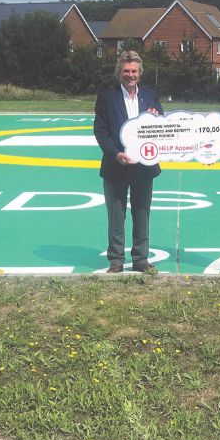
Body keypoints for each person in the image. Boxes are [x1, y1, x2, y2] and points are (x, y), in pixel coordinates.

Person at [94, 51, 163, 274]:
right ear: (119, 73)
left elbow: (163, 128)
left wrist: (156, 119)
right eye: (126, 71)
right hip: (116, 165)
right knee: (116, 214)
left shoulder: (151, 96)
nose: (130, 75)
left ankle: (141, 259)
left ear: (140, 73)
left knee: (142, 212)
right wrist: (116, 154)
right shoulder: (106, 96)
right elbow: (101, 131)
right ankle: (116, 260)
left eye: (134, 71)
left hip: (144, 166)